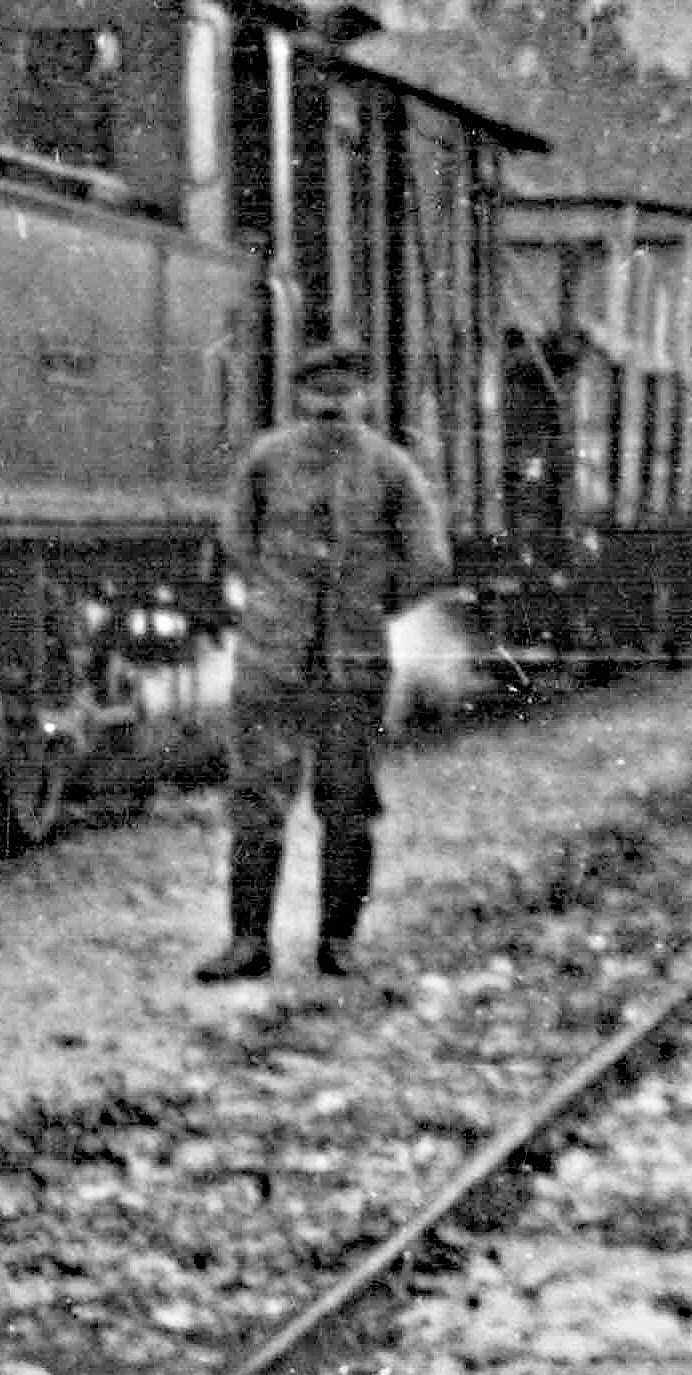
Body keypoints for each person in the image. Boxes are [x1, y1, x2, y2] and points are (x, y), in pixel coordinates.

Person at [196, 342, 453, 983]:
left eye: (341, 395)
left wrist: (365, 605)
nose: (331, 407)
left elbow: (429, 562)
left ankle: (324, 944)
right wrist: (285, 600)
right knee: (268, 802)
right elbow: (235, 540)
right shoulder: (269, 462)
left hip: (337, 666)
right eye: (323, 395)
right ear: (304, 398)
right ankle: (262, 944)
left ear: (363, 398)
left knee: (340, 807)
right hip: (285, 666)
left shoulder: (390, 470)